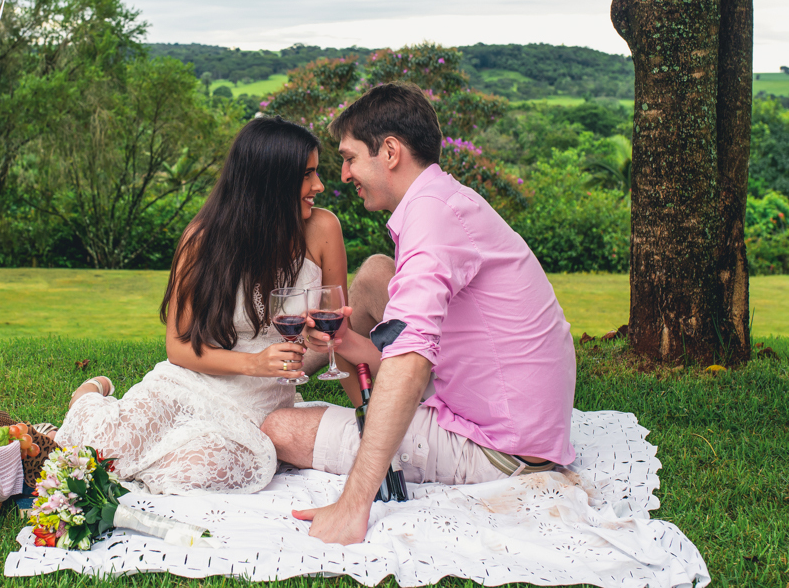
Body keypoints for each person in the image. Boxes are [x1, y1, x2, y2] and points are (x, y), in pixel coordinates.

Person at [260, 82, 577, 544]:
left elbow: (409, 362)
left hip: (500, 446)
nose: (343, 174)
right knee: (375, 273)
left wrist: (354, 504)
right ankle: (304, 375)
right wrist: (345, 341)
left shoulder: (431, 218)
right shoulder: (442, 199)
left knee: (278, 427)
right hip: (517, 414)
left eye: (349, 158)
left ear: (389, 151)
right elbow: (408, 342)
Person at [54, 116, 349, 494]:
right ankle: (90, 396)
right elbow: (178, 348)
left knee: (198, 471)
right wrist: (254, 363)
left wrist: (321, 344)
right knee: (104, 450)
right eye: (307, 175)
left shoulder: (325, 230)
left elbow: (332, 328)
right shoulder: (202, 240)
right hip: (191, 380)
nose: (319, 186)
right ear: (271, 180)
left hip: (257, 404)